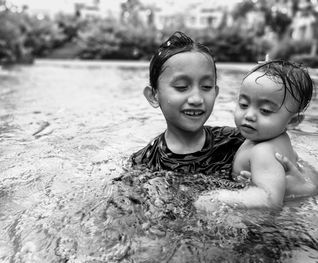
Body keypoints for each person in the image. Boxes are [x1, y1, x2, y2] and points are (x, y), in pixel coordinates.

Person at [130, 31, 317, 200]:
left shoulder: (239, 140)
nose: (196, 99)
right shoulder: (144, 161)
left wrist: (306, 187)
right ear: (154, 96)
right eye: (181, 87)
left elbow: (298, 163)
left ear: (216, 92)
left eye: (206, 87)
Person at [194, 60, 318, 210]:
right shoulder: (279, 140)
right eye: (244, 105)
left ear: (292, 121)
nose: (249, 115)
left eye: (265, 110)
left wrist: (219, 198)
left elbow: (270, 199)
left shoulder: (263, 151)